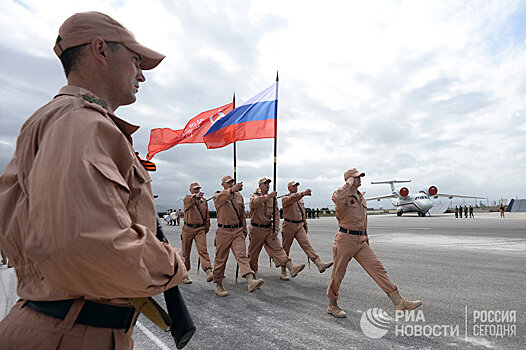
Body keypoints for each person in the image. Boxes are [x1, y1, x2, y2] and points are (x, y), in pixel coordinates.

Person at [0, 12, 187, 349]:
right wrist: (172, 262)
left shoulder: (55, 119)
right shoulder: (80, 122)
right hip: (73, 333)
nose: (141, 75)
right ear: (101, 50)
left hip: (59, 323)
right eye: (135, 60)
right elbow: (89, 243)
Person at [327, 168, 421, 318]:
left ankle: (398, 301)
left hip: (361, 240)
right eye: (357, 177)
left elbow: (363, 221)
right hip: (345, 239)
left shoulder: (361, 197)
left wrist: (366, 240)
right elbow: (337, 198)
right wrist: (347, 184)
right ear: (349, 180)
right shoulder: (341, 195)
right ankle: (332, 304)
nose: (360, 179)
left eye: (360, 177)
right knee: (338, 273)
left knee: (378, 269)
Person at [212, 176, 264, 296]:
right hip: (223, 231)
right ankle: (218, 284)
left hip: (237, 231)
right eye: (228, 182)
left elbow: (241, 215)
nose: (231, 184)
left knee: (242, 255)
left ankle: (251, 280)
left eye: (232, 182)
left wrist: (244, 230)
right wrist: (231, 190)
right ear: (222, 184)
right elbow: (222, 198)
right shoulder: (219, 196)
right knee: (221, 258)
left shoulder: (239, 197)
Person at [248, 177, 305, 280]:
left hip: (269, 229)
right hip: (257, 229)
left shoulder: (272, 199)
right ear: (260, 185)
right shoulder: (254, 196)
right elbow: (253, 204)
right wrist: (268, 196)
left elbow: (276, 214)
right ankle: (252, 277)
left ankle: (291, 267)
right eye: (265, 183)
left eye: (268, 183)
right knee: (253, 255)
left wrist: (276, 229)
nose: (267, 185)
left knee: (278, 249)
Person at [280, 181, 333, 280]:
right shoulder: (286, 198)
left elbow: (302, 212)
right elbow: (292, 199)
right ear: (289, 188)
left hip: (299, 225)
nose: (296, 187)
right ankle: (284, 271)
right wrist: (302, 194)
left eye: (296, 186)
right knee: (285, 249)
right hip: (289, 226)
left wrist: (305, 223)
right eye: (293, 186)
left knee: (307, 245)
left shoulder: (300, 200)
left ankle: (319, 264)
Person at [181, 182, 213, 284]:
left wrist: (206, 228)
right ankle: (184, 275)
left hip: (200, 229)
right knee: (186, 253)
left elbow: (206, 215)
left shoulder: (204, 201)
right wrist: (195, 196)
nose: (197, 190)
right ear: (190, 190)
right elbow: (189, 201)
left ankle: (208, 271)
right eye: (195, 189)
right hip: (188, 228)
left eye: (198, 189)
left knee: (203, 250)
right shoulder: (187, 199)